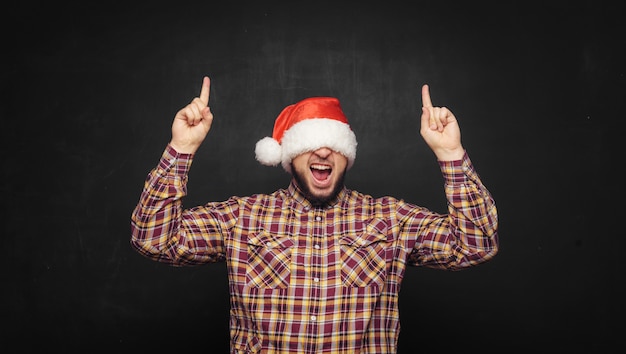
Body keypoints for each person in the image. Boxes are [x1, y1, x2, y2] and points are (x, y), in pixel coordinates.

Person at [130, 76, 498, 353]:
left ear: (346, 156)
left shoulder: (389, 220)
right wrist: (181, 148)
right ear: (290, 158)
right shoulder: (242, 218)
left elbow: (476, 245)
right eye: (310, 145)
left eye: (333, 145)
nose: (322, 153)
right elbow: (153, 239)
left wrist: (451, 154)